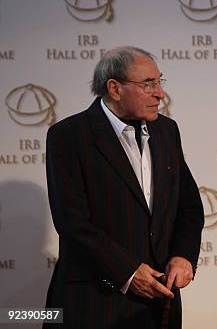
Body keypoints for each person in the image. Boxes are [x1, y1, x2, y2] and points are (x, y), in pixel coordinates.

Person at [44, 46, 204, 329]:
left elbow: (188, 205)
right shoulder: (69, 136)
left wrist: (183, 256)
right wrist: (128, 273)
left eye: (159, 82)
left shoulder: (167, 131)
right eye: (148, 84)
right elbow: (73, 222)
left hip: (159, 305)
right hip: (94, 303)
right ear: (115, 88)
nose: (160, 93)